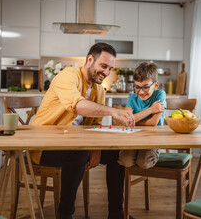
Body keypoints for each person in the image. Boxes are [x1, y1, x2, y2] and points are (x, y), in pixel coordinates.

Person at [30, 42, 136, 219]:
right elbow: (78, 105)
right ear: (89, 59)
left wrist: (97, 148)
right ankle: (65, 214)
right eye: (103, 66)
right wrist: (112, 111)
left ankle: (117, 214)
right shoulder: (68, 76)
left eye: (110, 68)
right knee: (78, 153)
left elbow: (94, 125)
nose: (106, 72)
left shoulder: (99, 90)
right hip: (43, 145)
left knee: (117, 153)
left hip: (76, 145)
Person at [118, 62, 166, 169]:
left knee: (144, 162)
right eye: (137, 87)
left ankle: (155, 153)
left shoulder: (160, 94)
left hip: (152, 138)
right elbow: (126, 120)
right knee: (126, 161)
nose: (141, 92)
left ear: (156, 85)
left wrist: (133, 121)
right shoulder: (132, 97)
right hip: (133, 138)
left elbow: (154, 122)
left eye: (146, 87)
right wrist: (151, 110)